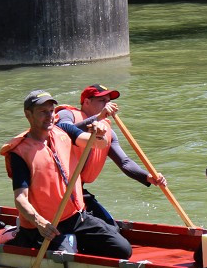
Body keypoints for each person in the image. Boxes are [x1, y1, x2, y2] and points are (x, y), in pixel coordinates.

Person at [0, 90, 133, 259]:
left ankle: (74, 243)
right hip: (46, 225)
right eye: (42, 112)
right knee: (62, 259)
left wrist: (99, 133)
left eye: (51, 111)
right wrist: (40, 223)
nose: (49, 116)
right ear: (28, 115)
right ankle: (19, 238)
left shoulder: (63, 130)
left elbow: (98, 144)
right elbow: (20, 199)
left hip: (76, 217)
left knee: (123, 250)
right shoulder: (19, 153)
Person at [54, 84, 166, 225]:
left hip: (78, 190)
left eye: (108, 101)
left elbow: (125, 162)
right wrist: (98, 117)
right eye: (102, 101)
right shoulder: (67, 114)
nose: (108, 105)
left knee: (112, 226)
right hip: (58, 190)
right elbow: (60, 132)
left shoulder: (108, 132)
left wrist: (148, 177)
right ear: (87, 102)